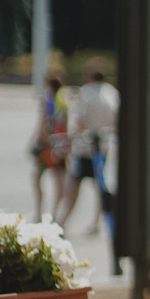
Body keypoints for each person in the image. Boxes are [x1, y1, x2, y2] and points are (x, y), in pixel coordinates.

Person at [58, 60, 119, 234]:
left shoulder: (85, 93)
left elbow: (79, 121)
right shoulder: (111, 93)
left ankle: (63, 219)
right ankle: (97, 221)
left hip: (85, 147)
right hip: (104, 145)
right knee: (100, 185)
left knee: (74, 185)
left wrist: (70, 140)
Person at [29, 70, 70, 222]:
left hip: (46, 146)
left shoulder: (47, 100)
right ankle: (54, 213)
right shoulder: (65, 99)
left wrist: (35, 141)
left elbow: (42, 123)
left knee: (37, 178)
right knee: (59, 180)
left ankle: (39, 212)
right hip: (60, 145)